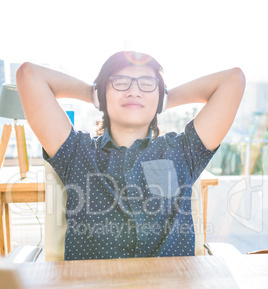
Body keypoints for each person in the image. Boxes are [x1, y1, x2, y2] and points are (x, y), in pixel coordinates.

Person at [16, 51, 245, 260]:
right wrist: (95, 94)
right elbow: (29, 75)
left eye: (147, 83)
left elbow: (233, 80)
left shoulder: (181, 152)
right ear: (102, 93)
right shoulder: (76, 152)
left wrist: (163, 99)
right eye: (120, 82)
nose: (134, 91)